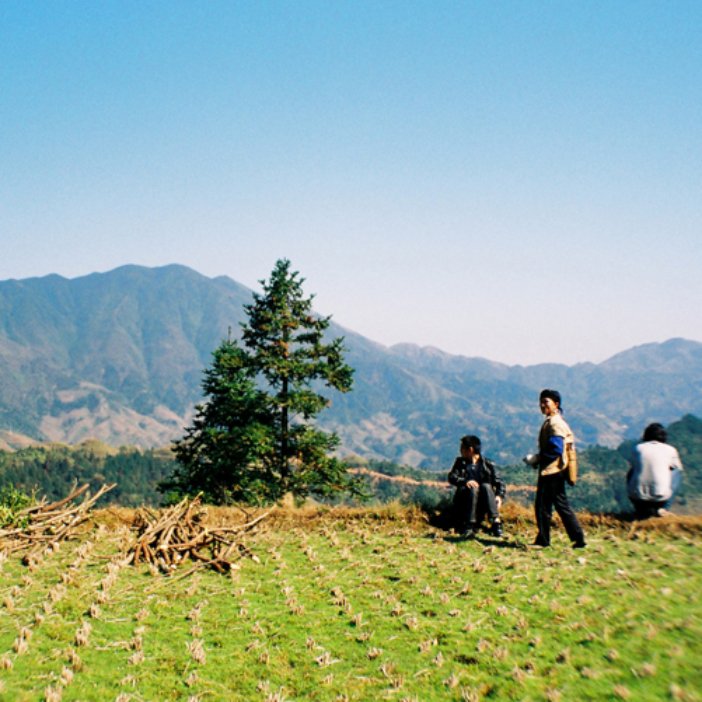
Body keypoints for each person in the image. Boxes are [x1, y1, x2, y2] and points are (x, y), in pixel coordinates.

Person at [525, 389, 586, 548]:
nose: (542, 405)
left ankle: (543, 540)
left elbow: (555, 448)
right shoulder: (555, 421)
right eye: (541, 401)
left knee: (543, 506)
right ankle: (578, 538)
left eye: (546, 401)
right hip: (557, 470)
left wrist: (537, 458)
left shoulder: (555, 423)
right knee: (561, 505)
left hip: (552, 471)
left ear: (556, 404)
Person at [448, 434, 506, 538]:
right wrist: (465, 481)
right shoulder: (460, 463)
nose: (460, 451)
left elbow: (499, 482)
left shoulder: (488, 464)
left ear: (470, 449)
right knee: (474, 488)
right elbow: (452, 477)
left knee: (486, 486)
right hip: (465, 500)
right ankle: (469, 525)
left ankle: (495, 521)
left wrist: (499, 496)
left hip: (483, 500)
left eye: (462, 448)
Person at [627, 422, 684, 518]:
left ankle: (639, 509)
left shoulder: (637, 448)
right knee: (677, 471)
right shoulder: (670, 450)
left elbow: (634, 467)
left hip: (637, 497)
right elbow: (677, 468)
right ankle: (664, 508)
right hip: (661, 497)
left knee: (633, 471)